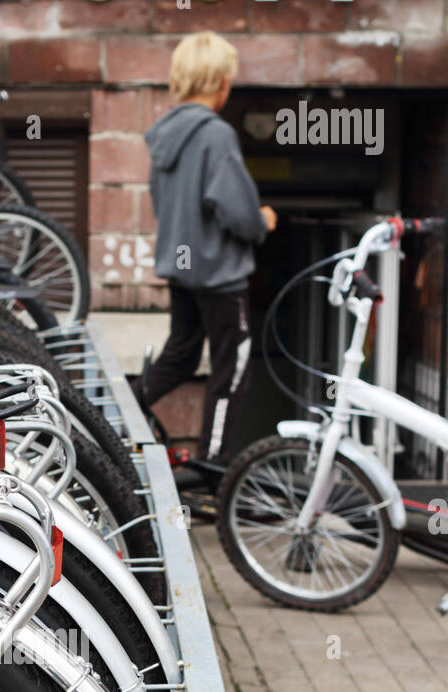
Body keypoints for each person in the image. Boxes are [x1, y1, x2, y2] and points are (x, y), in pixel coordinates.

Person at [138, 31, 277, 471]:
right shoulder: (215, 134)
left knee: (179, 356)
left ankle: (103, 418)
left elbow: (164, 202)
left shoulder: (164, 136)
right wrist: (263, 222)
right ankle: (215, 466)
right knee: (232, 367)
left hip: (183, 269)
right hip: (219, 275)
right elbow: (235, 210)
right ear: (219, 81)